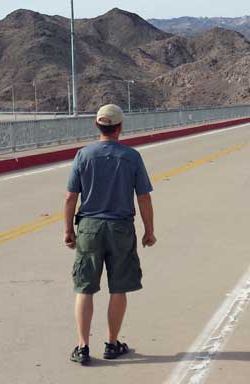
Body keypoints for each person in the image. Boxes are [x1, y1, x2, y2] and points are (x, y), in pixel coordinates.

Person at [63, 104, 157, 366]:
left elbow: (71, 197)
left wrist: (69, 230)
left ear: (97, 126)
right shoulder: (132, 157)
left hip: (89, 229)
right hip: (120, 228)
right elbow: (143, 197)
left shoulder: (83, 155)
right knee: (119, 288)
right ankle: (112, 343)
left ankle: (83, 346)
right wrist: (149, 230)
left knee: (85, 288)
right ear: (119, 128)